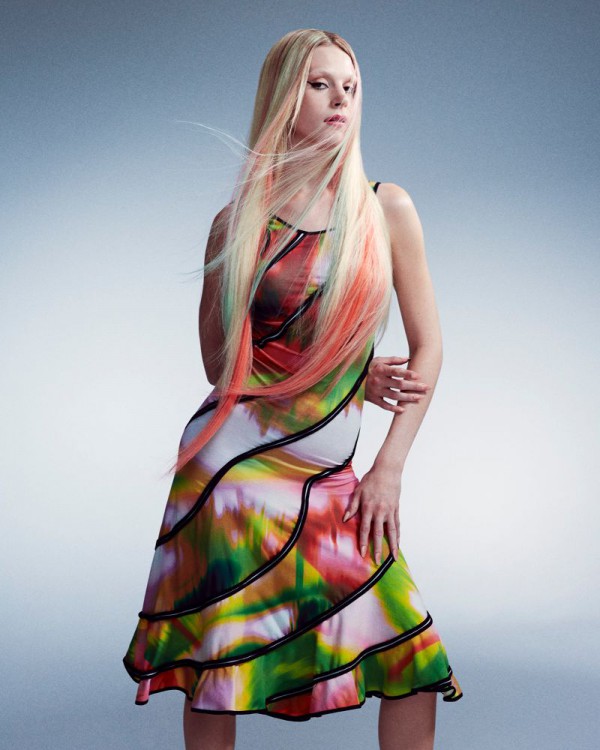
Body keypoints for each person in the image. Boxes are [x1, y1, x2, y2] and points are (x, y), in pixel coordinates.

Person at [122, 28, 463, 750]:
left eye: (351, 86)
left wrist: (388, 468)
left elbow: (429, 348)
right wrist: (337, 365)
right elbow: (223, 369)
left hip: (329, 473)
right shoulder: (237, 221)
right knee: (215, 662)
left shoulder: (384, 207)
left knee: (409, 656)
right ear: (285, 98)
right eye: (320, 84)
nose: (341, 98)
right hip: (233, 472)